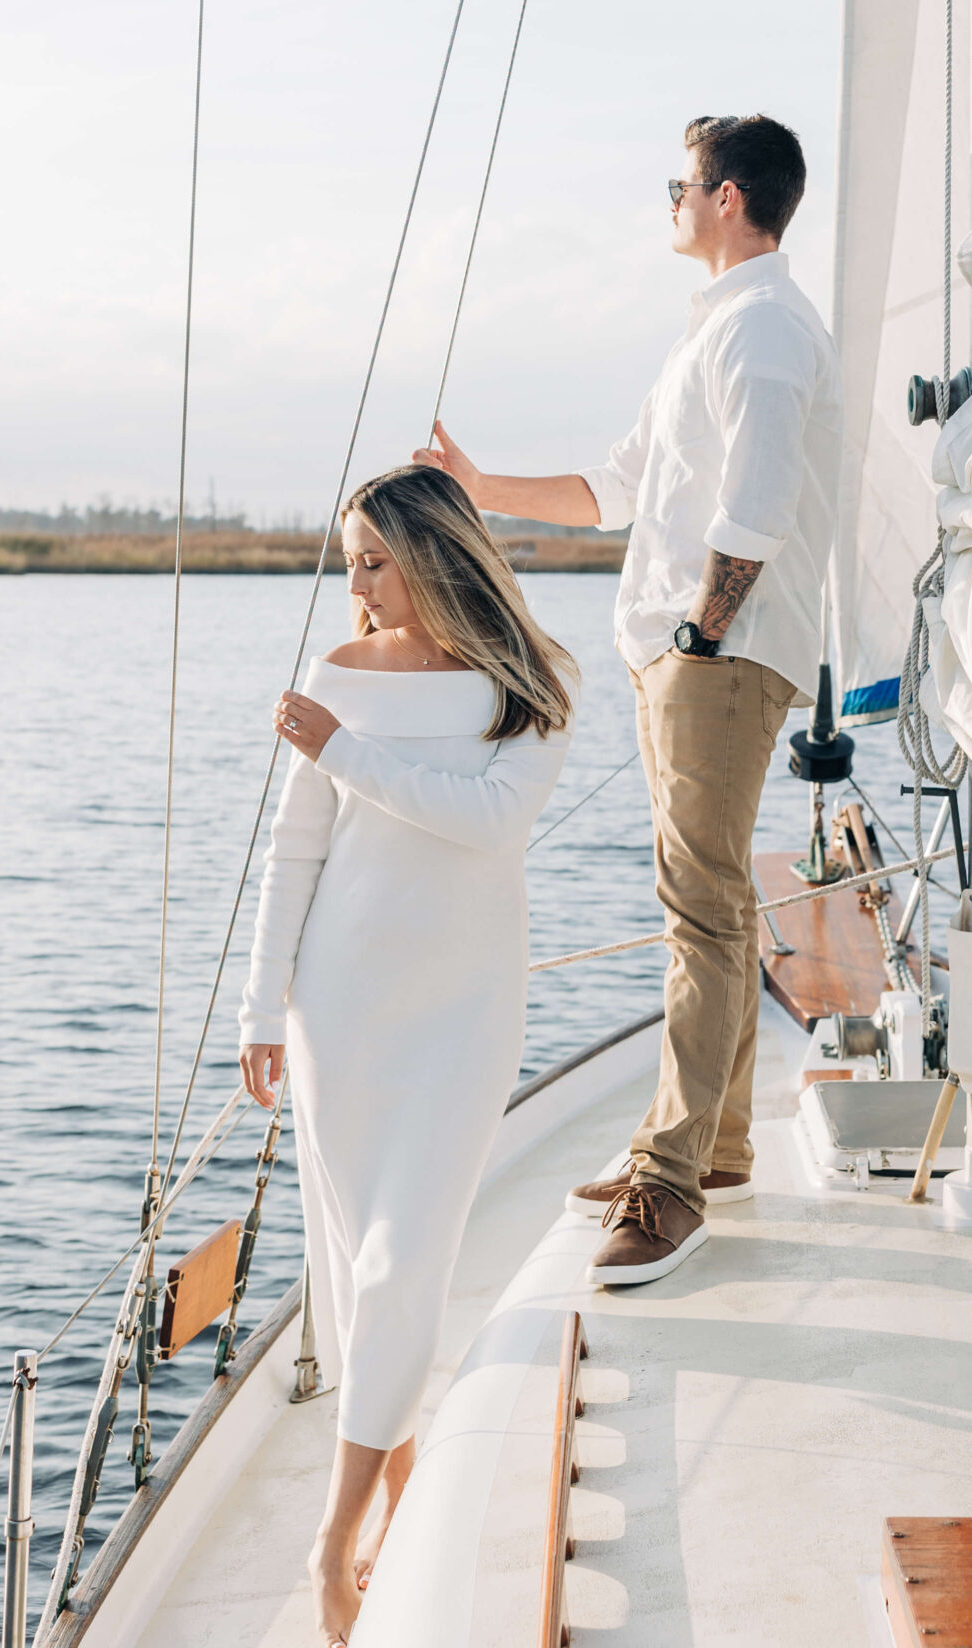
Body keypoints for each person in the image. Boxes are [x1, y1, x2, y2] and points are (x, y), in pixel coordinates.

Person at [416, 111, 841, 1291]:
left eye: (681, 182)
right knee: (710, 904)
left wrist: (701, 632)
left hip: (715, 652)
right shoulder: (716, 331)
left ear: (728, 198)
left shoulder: (762, 331)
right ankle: (721, 1145)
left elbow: (754, 503)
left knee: (699, 909)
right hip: (691, 651)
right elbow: (616, 487)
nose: (669, 198)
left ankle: (672, 1181)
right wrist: (477, 484)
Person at [237, 462, 577, 1647]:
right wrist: (260, 1010)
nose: (359, 584)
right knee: (349, 1258)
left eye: (375, 559)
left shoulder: (530, 685)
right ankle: (400, 1479)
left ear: (438, 552)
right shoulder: (338, 677)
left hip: (462, 1012)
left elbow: (486, 824)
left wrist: (342, 749)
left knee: (399, 1260)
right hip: (343, 1004)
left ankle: (332, 1541)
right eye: (349, 561)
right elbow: (294, 857)